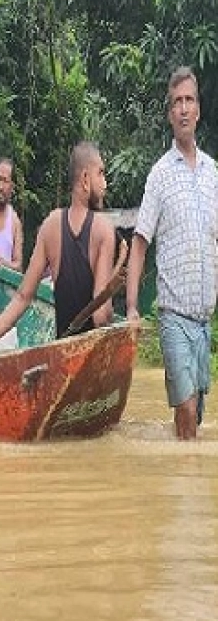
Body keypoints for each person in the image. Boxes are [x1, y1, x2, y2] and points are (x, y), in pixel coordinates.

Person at [0, 143, 118, 369]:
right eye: (100, 173)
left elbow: (23, 297)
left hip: (64, 357)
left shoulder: (50, 225)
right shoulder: (104, 229)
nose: (105, 183)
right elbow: (102, 316)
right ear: (84, 179)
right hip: (92, 361)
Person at [126, 67, 218, 440]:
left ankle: (186, 486)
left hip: (203, 320)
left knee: (192, 421)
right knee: (185, 409)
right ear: (170, 114)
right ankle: (185, 495)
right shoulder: (159, 174)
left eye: (189, 100)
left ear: (198, 110)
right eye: (177, 102)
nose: (183, 108)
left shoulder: (214, 173)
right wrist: (132, 307)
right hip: (174, 316)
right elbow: (139, 242)